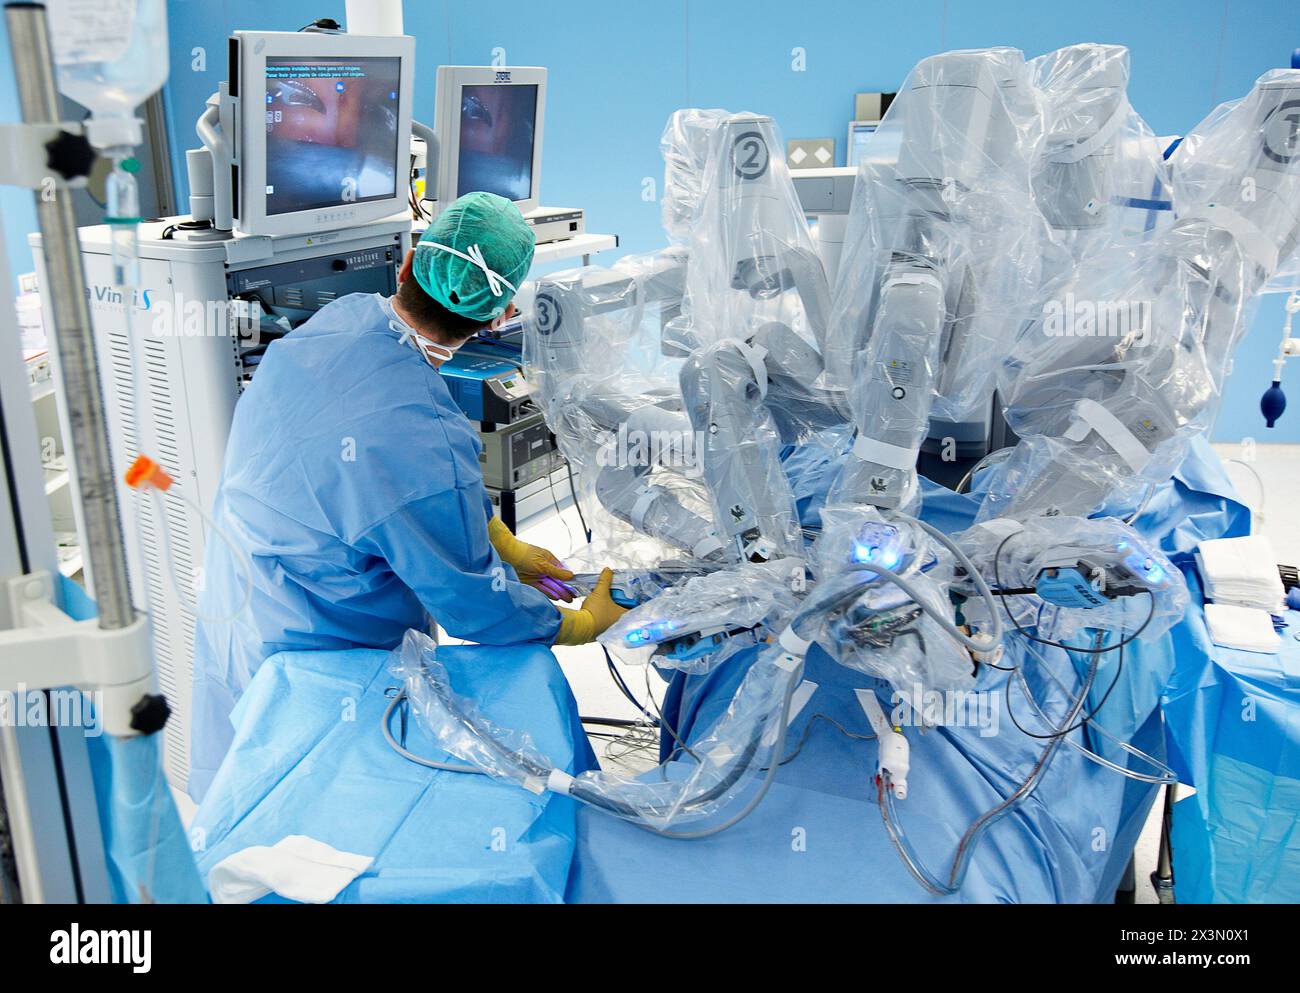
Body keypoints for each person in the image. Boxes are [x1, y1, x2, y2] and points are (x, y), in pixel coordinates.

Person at [188, 192, 625, 801]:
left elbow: (382, 492)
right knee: (333, 808)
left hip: (246, 592)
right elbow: (476, 607)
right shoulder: (426, 443)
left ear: (408, 262)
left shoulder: (336, 321)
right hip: (326, 644)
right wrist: (579, 623)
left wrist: (496, 541)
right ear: (497, 317)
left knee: (252, 787)